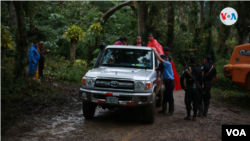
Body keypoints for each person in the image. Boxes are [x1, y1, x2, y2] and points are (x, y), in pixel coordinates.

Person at [152, 48, 175, 115]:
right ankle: (164, 110)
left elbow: (159, 59)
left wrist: (155, 51)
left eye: (162, 60)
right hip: (167, 83)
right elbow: (156, 68)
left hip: (170, 82)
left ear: (164, 59)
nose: (160, 62)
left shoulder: (167, 63)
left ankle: (171, 111)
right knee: (165, 96)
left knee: (170, 96)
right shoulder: (163, 66)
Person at [180, 57, 202, 121]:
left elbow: (181, 78)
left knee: (188, 102)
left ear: (189, 62)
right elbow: (201, 80)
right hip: (196, 89)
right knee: (195, 102)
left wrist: (183, 86)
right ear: (195, 62)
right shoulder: (199, 70)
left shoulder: (187, 69)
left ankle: (188, 115)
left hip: (189, 88)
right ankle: (194, 116)